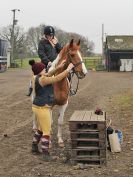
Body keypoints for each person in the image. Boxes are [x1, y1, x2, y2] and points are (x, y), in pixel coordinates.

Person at [30, 59, 74, 161]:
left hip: (36, 106)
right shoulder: (43, 80)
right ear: (40, 71)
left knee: (40, 129)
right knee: (46, 131)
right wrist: (67, 69)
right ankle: (46, 155)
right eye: (43, 69)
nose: (45, 69)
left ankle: (34, 147)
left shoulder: (35, 77)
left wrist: (60, 66)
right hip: (43, 107)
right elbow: (57, 78)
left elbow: (50, 73)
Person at [26, 25, 62, 96]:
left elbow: (60, 51)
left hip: (55, 63)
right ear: (45, 35)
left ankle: (68, 88)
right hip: (45, 63)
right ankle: (31, 87)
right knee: (36, 75)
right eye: (49, 35)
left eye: (52, 35)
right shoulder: (42, 42)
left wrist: (57, 44)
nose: (51, 36)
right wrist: (47, 61)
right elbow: (41, 53)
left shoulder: (55, 41)